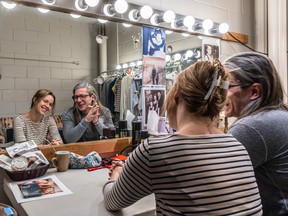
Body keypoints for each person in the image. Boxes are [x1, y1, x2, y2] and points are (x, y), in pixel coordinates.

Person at [103, 60, 263, 215]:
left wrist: (117, 174)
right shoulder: (237, 147)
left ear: (176, 96)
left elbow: (112, 201)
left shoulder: (156, 150)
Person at [223, 52, 288, 215]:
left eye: (226, 86)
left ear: (254, 92)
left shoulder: (253, 126)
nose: (219, 94)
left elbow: (212, 181)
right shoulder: (279, 116)